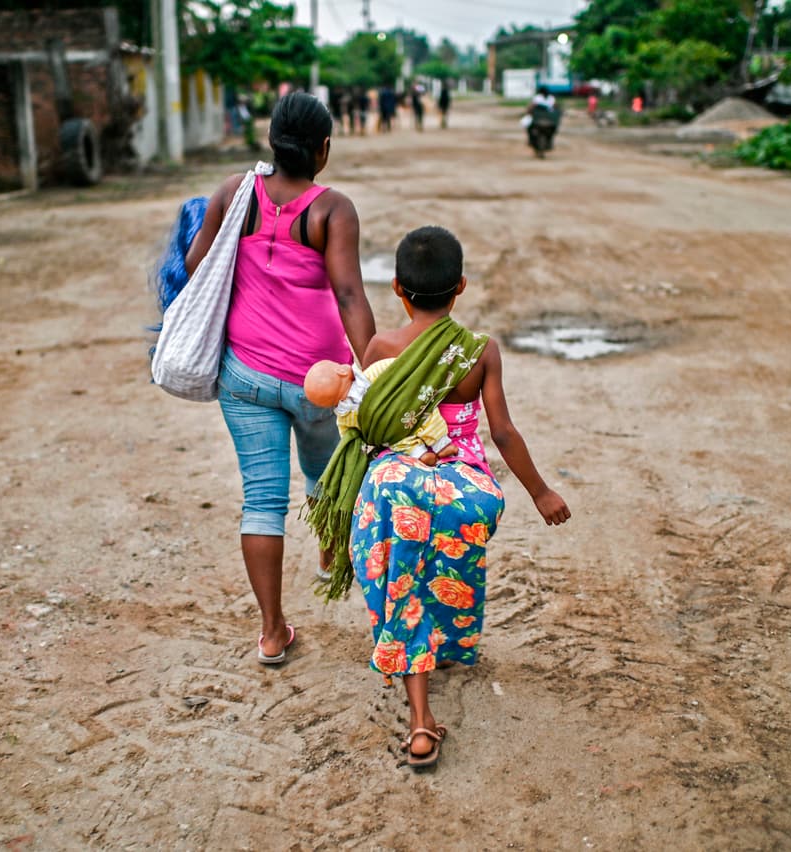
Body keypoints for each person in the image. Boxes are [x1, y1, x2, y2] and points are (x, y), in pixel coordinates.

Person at [307, 226, 570, 768]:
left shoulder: (382, 348)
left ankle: (421, 721)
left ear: (399, 290)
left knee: (402, 585)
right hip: (463, 492)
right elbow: (502, 433)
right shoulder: (479, 352)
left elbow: (367, 426)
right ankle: (446, 647)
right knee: (447, 570)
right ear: (462, 286)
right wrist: (540, 492)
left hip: (395, 488)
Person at [185, 92, 376, 666]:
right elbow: (349, 294)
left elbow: (197, 265)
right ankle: (330, 555)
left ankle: (271, 633)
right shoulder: (331, 209)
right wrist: (376, 369)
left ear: (271, 142)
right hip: (319, 381)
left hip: (244, 376)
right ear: (323, 149)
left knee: (261, 502)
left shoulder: (234, 193)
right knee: (326, 474)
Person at [303, 359, 458, 466]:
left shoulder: (345, 417)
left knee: (401, 443)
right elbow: (398, 366)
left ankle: (420, 454)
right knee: (426, 416)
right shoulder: (372, 373)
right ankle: (441, 444)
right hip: (407, 410)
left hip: (391, 434)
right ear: (343, 370)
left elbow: (348, 438)